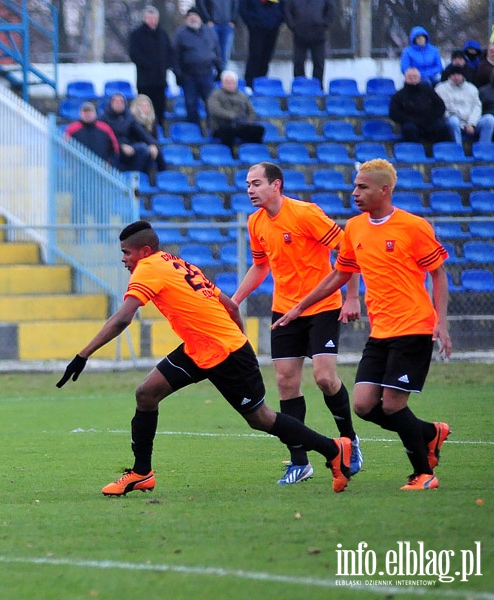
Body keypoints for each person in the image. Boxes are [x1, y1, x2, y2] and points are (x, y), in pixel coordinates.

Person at [56, 220, 354, 496]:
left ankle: (333, 450)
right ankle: (141, 472)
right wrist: (236, 336)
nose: (123, 259)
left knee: (261, 419)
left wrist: (83, 354)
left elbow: (123, 318)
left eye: (126, 253)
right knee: (146, 393)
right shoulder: (178, 263)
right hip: (200, 348)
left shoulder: (148, 268)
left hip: (225, 353)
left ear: (144, 251)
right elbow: (231, 306)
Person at [274, 158, 451, 491]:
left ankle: (423, 473)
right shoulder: (354, 228)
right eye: (355, 186)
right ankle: (429, 433)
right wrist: (299, 307)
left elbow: (439, 273)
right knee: (364, 405)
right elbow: (341, 273)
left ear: (384, 190)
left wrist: (441, 322)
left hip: (413, 327)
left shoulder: (413, 226)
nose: (354, 192)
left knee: (394, 405)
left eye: (362, 187)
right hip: (380, 330)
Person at [230, 162, 362, 485]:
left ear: (276, 185)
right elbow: (260, 267)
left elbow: (349, 253)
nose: (250, 190)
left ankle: (349, 442)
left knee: (324, 378)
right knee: (286, 383)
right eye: (248, 184)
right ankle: (299, 462)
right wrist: (234, 300)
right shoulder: (255, 222)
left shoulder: (306, 213)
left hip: (323, 307)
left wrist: (353, 297)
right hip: (284, 311)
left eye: (257, 183)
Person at [173, 8, 222, 132]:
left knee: (211, 104)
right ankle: (194, 131)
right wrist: (178, 74)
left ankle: (213, 129)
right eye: (190, 15)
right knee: (191, 104)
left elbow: (217, 51)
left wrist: (219, 69)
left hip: (207, 74)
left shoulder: (210, 32)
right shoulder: (180, 34)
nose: (193, 18)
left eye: (195, 15)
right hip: (188, 76)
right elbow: (175, 55)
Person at [127, 6, 174, 132]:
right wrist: (148, 65)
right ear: (145, 19)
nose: (153, 21)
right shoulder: (136, 34)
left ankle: (160, 130)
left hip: (160, 80)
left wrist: (166, 65)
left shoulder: (163, 34)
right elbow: (134, 54)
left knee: (160, 108)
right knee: (143, 106)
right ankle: (143, 130)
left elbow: (170, 52)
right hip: (145, 80)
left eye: (155, 18)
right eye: (150, 18)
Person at [99, 93, 161, 174]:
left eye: (121, 102)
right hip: (111, 150)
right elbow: (104, 138)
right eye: (116, 102)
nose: (119, 104)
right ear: (111, 103)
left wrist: (153, 144)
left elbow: (142, 133)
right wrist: (121, 146)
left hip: (128, 148)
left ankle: (133, 174)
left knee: (144, 149)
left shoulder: (129, 118)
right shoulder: (103, 119)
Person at [388, 67, 453, 144]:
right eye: (410, 77)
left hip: (429, 121)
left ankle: (441, 152)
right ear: (405, 78)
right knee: (409, 129)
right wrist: (410, 119)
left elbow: (440, 106)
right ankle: (414, 153)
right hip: (410, 123)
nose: (413, 80)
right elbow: (394, 113)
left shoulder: (428, 91)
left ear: (419, 78)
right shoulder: (399, 95)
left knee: (442, 127)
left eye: (415, 77)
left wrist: (431, 117)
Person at [206, 70, 265, 149]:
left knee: (258, 130)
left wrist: (248, 121)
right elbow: (215, 110)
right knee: (228, 132)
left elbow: (251, 111)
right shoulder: (215, 95)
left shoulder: (242, 96)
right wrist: (233, 116)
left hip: (241, 125)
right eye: (227, 82)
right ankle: (230, 154)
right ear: (222, 83)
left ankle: (254, 152)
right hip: (221, 126)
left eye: (232, 82)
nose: (230, 85)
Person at [284, 0, 335, 88]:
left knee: (319, 62)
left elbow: (331, 8)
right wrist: (292, 25)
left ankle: (317, 88)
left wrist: (325, 24)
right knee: (298, 63)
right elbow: (287, 10)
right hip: (299, 35)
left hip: (319, 35)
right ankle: (300, 88)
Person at [435, 64, 489, 145]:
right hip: (453, 122)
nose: (456, 77)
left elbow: (477, 107)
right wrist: (462, 125)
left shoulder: (472, 88)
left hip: (471, 122)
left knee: (489, 119)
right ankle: (458, 148)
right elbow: (443, 110)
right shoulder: (440, 88)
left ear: (462, 75)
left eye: (458, 74)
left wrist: (471, 124)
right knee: (453, 121)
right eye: (453, 74)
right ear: (449, 76)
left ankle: (484, 148)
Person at [239, 0, 285, 90]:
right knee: (254, 56)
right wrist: (252, 23)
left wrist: (277, 21)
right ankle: (249, 84)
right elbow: (243, 9)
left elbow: (283, 7)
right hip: (256, 28)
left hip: (272, 28)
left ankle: (262, 82)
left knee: (266, 57)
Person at [63, 101, 119, 166]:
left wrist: (109, 163)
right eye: (85, 112)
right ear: (80, 114)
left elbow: (115, 149)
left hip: (102, 168)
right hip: (78, 168)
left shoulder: (105, 128)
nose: (87, 114)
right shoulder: (72, 129)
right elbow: (64, 149)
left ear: (95, 113)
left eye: (90, 111)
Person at [129, 94, 167, 171]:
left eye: (147, 106)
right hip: (134, 147)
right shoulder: (131, 119)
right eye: (141, 106)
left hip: (150, 146)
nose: (144, 108)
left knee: (157, 153)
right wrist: (151, 145)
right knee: (146, 151)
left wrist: (153, 146)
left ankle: (163, 175)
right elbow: (137, 136)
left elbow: (154, 138)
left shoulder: (153, 120)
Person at [203, 0, 238, 72]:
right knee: (212, 53)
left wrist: (233, 20)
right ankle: (212, 76)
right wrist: (207, 19)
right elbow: (201, 4)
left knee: (225, 54)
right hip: (212, 25)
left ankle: (223, 76)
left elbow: (236, 4)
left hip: (227, 25)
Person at [477, 71, 494, 142]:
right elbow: (478, 110)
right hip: (488, 119)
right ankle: (484, 150)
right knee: (489, 120)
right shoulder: (483, 91)